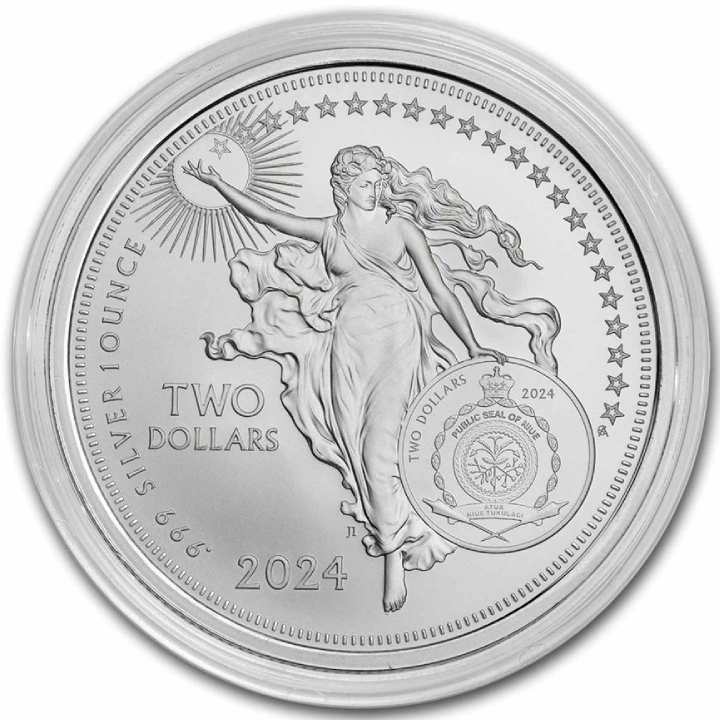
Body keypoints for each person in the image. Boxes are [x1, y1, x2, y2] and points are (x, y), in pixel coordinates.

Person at [185, 145, 559, 612]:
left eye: (378, 182)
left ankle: (393, 559)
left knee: (382, 446)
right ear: (344, 188)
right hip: (348, 346)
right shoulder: (329, 231)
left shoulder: (402, 228)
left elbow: (440, 290)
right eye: (365, 183)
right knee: (357, 447)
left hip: (397, 338)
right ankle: (393, 535)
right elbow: (269, 216)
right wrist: (219, 185)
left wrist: (472, 344)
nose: (375, 190)